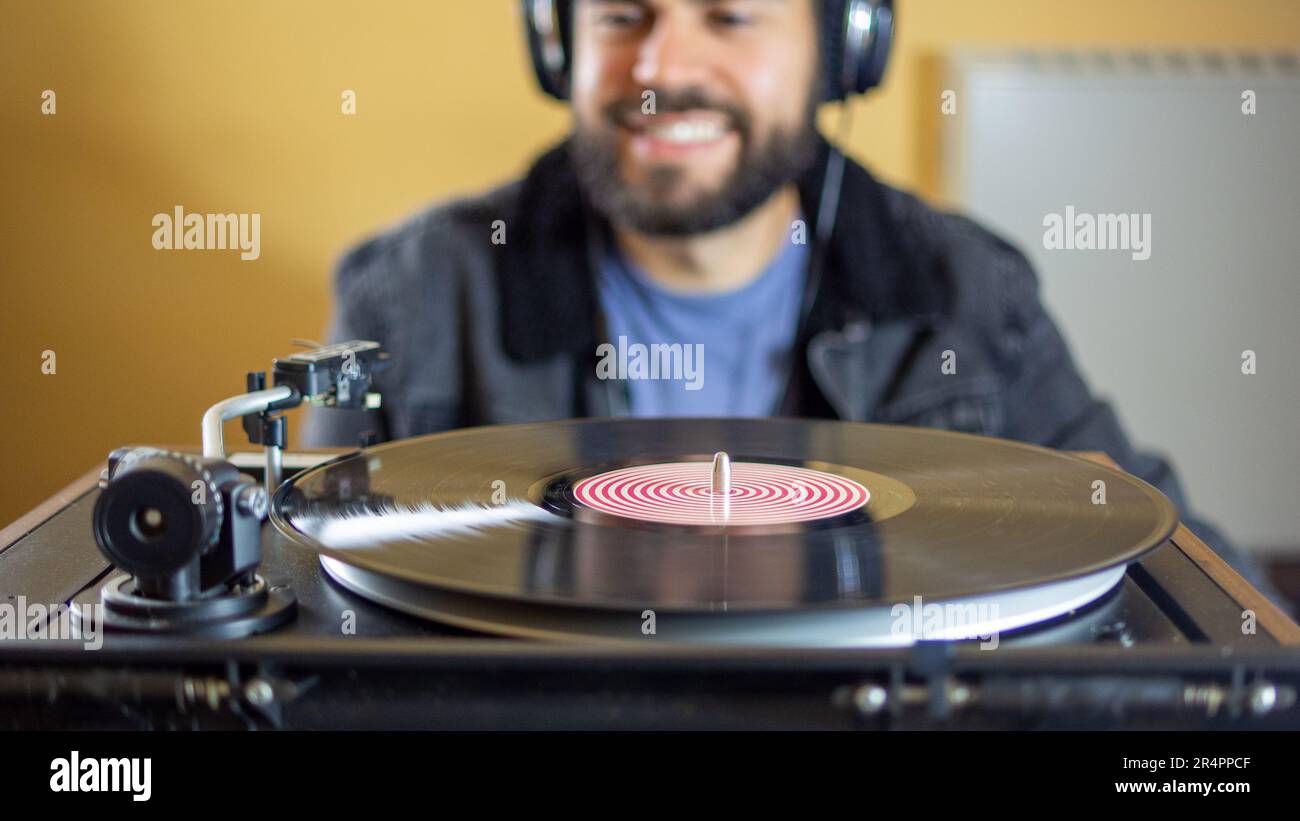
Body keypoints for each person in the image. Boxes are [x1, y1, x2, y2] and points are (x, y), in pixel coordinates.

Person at [303, 0, 1275, 597]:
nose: (662, 69)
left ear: (840, 49)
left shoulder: (962, 287)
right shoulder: (412, 292)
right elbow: (313, 593)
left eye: (729, 14)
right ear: (557, 45)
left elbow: (1175, 559)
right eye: (619, 14)